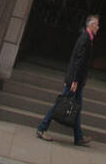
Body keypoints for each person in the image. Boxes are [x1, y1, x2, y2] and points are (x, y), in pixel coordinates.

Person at [36, 14, 99, 144]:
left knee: (76, 107)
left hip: (77, 80)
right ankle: (42, 128)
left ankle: (78, 137)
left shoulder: (87, 38)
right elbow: (78, 61)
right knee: (61, 104)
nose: (98, 27)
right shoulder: (85, 39)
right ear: (91, 25)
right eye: (97, 25)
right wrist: (74, 81)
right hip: (75, 81)